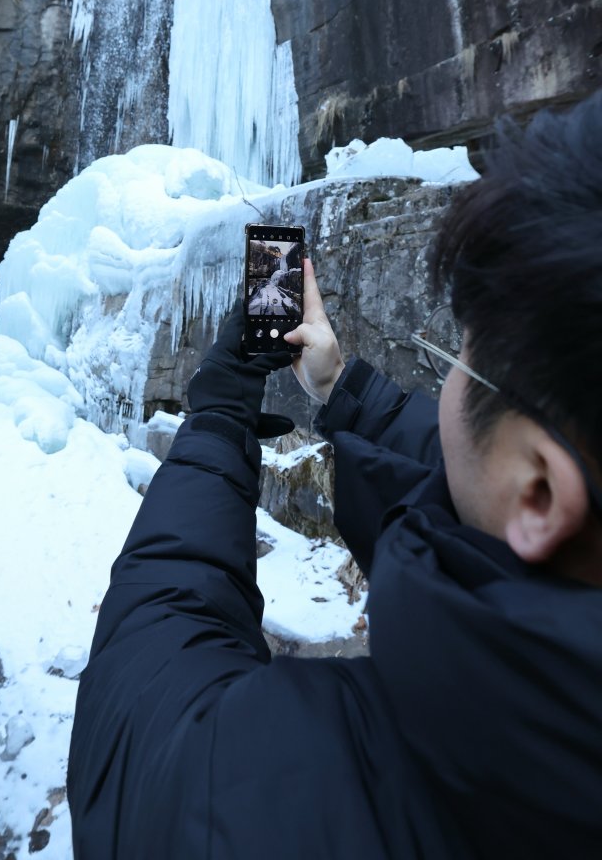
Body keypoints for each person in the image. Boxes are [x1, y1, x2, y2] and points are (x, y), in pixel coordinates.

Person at [67, 91, 602, 858]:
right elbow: (473, 480)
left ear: (542, 490)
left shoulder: (281, 795)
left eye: (462, 358)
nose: (446, 384)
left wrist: (220, 410)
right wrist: (342, 386)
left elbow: (143, 707)